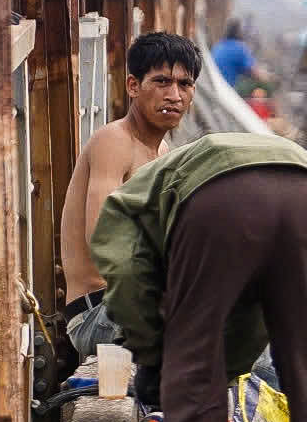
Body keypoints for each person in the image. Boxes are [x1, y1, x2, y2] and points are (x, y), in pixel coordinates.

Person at [92, 130, 307, 422]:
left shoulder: (128, 207)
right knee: (305, 352)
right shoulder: (176, 177)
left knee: (191, 351)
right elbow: (252, 316)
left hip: (224, 200)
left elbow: (125, 273)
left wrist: (150, 344)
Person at [56, 32, 200, 364]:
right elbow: (102, 240)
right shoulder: (114, 141)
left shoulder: (163, 151)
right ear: (133, 86)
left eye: (184, 84)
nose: (174, 95)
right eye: (161, 81)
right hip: (98, 315)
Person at [210, 20, 256, 93]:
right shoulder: (239, 48)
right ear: (239, 32)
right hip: (226, 91)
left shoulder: (217, 46)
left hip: (213, 90)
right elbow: (252, 72)